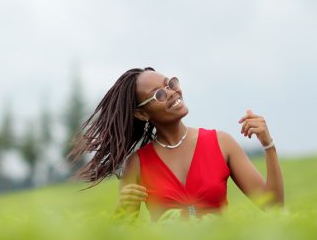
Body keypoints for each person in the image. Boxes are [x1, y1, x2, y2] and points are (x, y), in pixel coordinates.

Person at [68, 67, 284, 221]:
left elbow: (273, 207)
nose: (172, 92)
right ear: (142, 113)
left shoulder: (221, 143)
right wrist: (122, 210)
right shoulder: (138, 164)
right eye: (160, 94)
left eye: (170, 84)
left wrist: (269, 146)